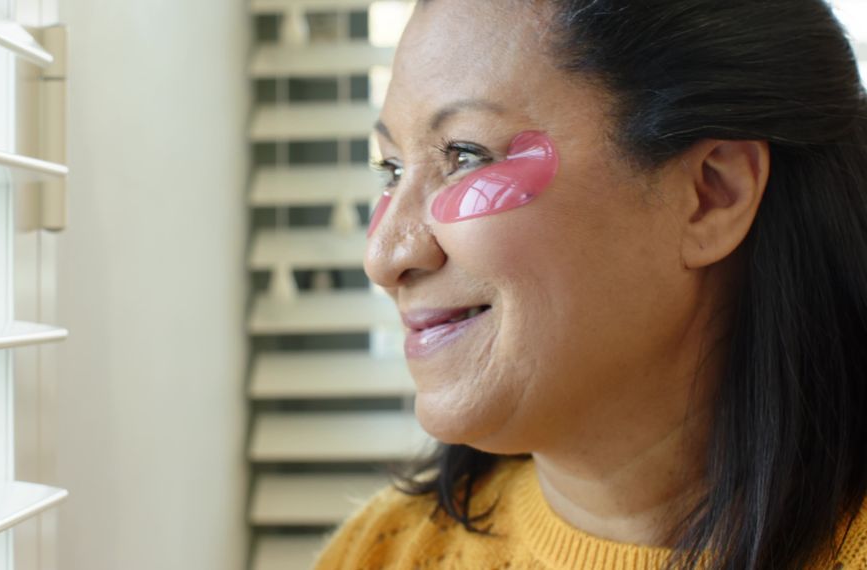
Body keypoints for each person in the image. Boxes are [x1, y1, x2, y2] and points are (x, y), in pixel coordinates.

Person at [314, 0, 867, 568]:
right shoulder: (381, 554)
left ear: (710, 196)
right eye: (392, 170)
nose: (384, 257)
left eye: (465, 154)